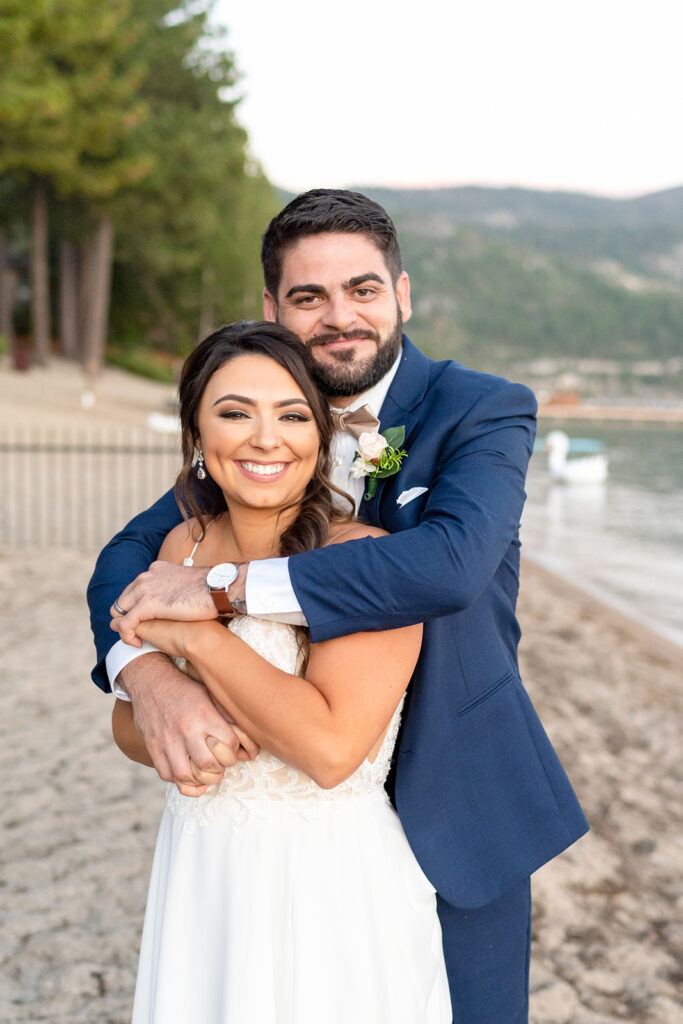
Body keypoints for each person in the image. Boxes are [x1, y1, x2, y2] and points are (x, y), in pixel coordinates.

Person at [89, 189, 588, 1023]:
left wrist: (220, 598)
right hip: (253, 831)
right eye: (307, 296)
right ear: (272, 308)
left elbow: (451, 565)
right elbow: (126, 559)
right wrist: (145, 672)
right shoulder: (254, 429)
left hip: (454, 790)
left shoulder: (480, 408)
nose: (338, 317)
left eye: (360, 289)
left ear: (400, 292)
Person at [112, 321, 452, 1021]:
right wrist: (177, 717)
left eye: (292, 415)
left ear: (320, 436)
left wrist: (200, 642)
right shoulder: (183, 542)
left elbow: (329, 751)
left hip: (326, 888)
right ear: (198, 434)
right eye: (234, 412)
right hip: (201, 868)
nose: (266, 439)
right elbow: (126, 724)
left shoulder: (365, 557)